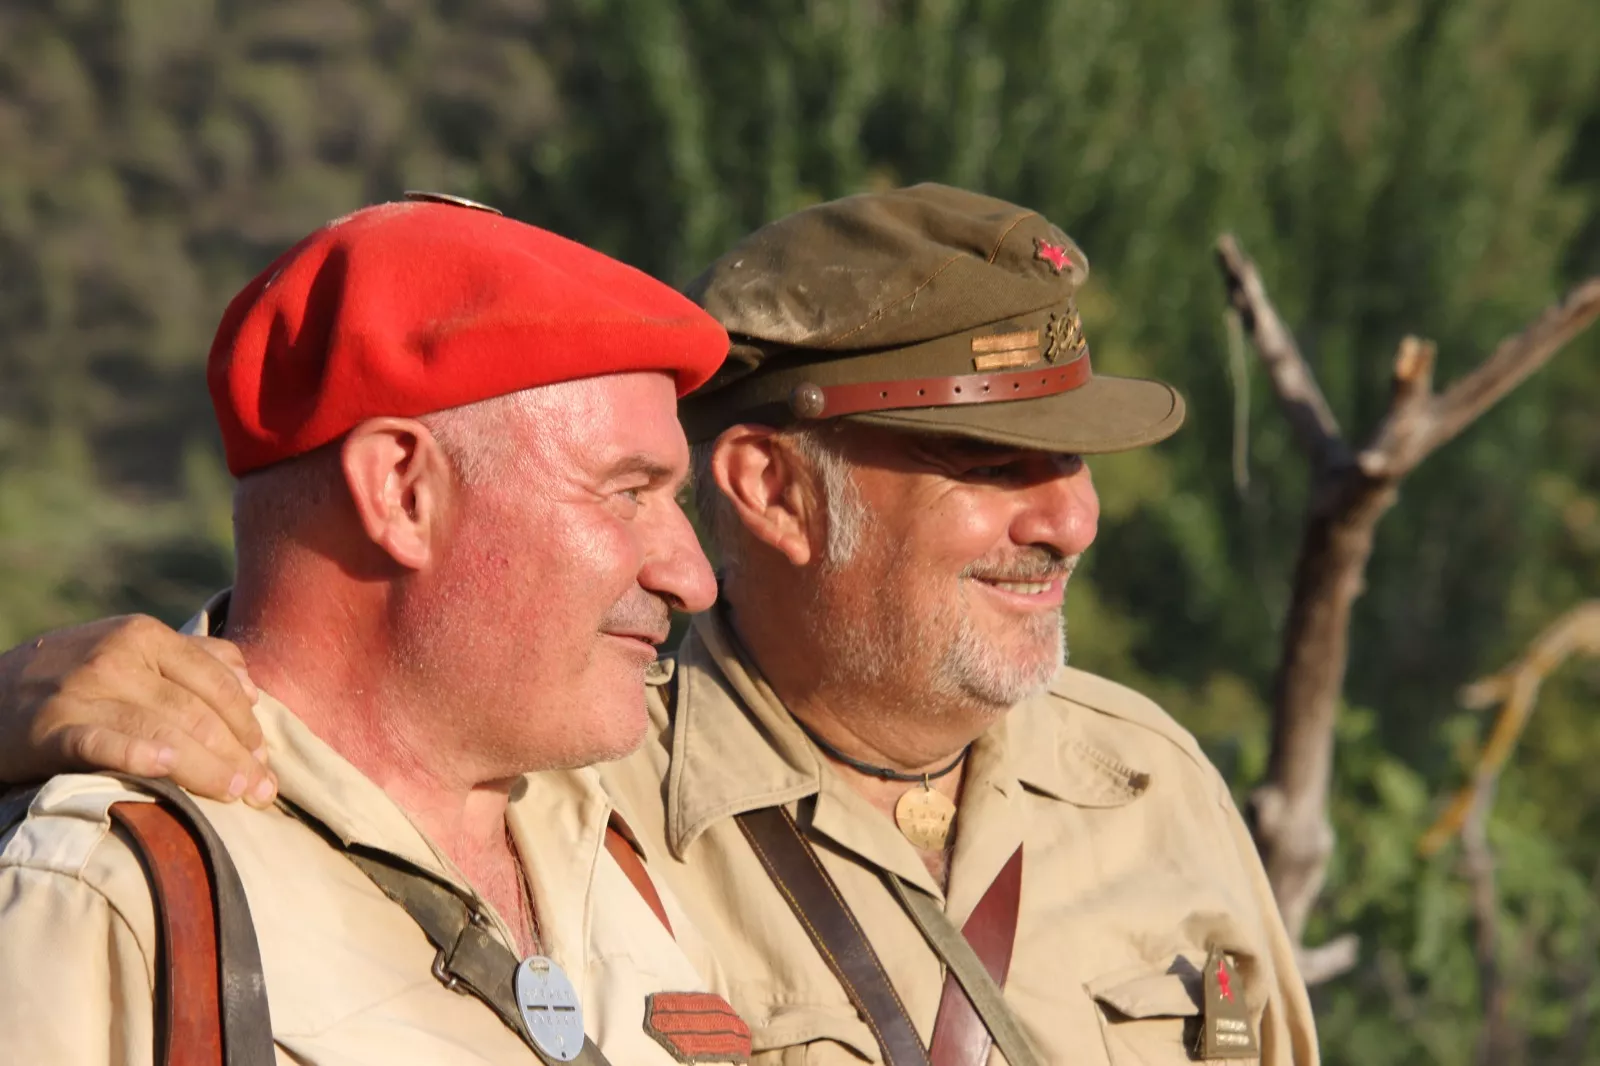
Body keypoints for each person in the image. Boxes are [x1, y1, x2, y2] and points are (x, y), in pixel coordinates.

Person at [0, 185, 1319, 1064]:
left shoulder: (1149, 775)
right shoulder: (588, 788)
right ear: (775, 489)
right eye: (995, 463)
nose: (1075, 522)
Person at [0, 194, 756, 1064]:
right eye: (629, 493)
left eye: (678, 502)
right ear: (402, 491)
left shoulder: (613, 841)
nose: (692, 577)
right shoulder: (117, 893)